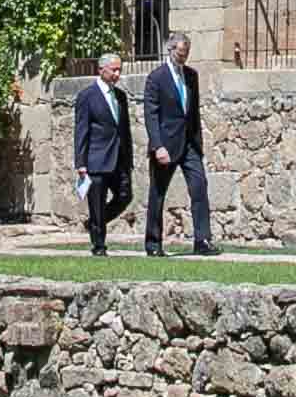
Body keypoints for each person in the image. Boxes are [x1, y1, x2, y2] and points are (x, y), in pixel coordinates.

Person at [142, 31, 214, 257]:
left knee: (199, 188)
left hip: (190, 144)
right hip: (166, 144)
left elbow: (192, 113)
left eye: (186, 54)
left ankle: (203, 240)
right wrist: (157, 146)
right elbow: (151, 115)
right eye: (180, 54)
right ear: (170, 50)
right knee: (158, 193)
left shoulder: (192, 76)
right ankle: (154, 244)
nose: (183, 58)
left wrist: (199, 143)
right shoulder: (156, 78)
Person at [71, 52, 133, 255]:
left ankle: (94, 223)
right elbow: (81, 131)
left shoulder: (121, 96)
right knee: (96, 203)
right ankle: (99, 245)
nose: (117, 74)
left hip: (118, 159)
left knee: (124, 196)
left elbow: (124, 130)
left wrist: (129, 159)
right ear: (101, 70)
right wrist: (80, 162)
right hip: (96, 159)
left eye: (119, 70)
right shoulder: (87, 96)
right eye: (114, 70)